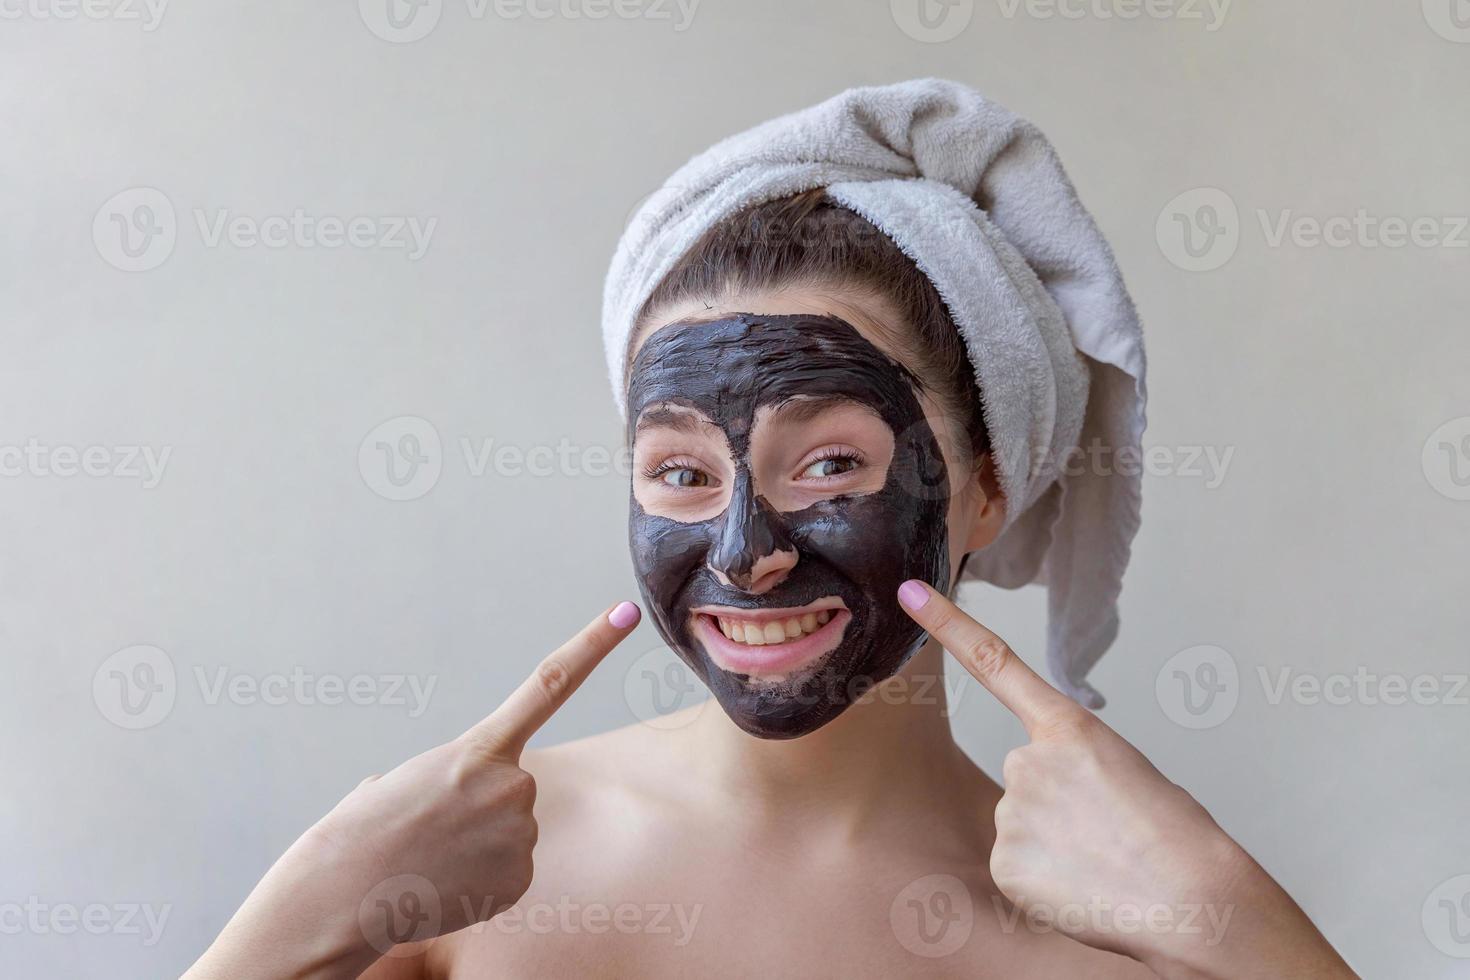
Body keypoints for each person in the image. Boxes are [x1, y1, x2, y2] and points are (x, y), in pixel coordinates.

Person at [186, 88, 1356, 979]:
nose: (746, 550)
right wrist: (301, 914)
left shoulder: (1131, 924)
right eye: (682, 472)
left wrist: (1241, 925)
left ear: (988, 488)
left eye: (832, 462)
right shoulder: (454, 878)